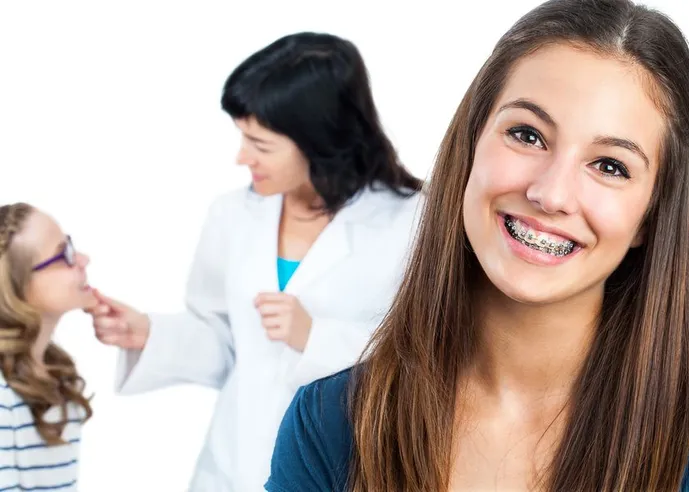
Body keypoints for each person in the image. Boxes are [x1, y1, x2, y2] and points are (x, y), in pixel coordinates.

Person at [266, 1, 689, 491]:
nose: (551, 194)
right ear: (470, 144)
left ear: (650, 216)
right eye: (527, 135)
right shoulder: (326, 427)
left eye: (610, 166)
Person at [86, 32, 424, 490]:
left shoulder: (411, 222)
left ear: (319, 139)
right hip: (230, 468)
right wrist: (148, 334)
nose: (242, 157)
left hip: (338, 468)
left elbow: (430, 356)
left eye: (260, 144)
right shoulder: (232, 215)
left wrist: (318, 337)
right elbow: (227, 342)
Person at [0, 203, 94, 491]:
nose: (83, 259)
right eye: (62, 255)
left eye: (72, 246)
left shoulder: (61, 379)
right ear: (18, 286)